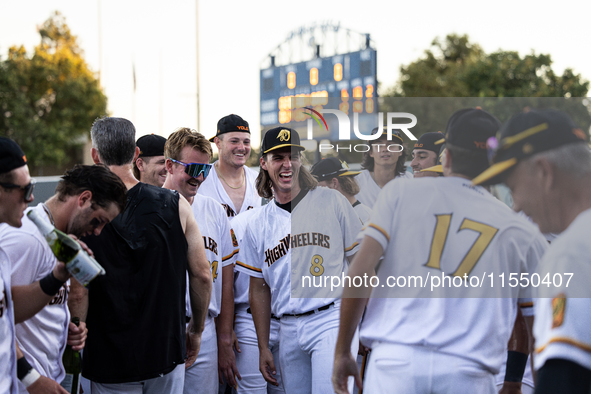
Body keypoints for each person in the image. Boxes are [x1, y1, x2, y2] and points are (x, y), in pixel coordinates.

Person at [332, 108, 548, 394]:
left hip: (395, 363)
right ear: (495, 162)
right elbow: (534, 325)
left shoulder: (399, 194)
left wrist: (342, 351)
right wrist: (517, 382)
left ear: (446, 156)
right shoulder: (519, 228)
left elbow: (359, 272)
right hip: (468, 371)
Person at [69, 117, 212, 393]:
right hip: (164, 352)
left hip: (109, 359)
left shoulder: (82, 213)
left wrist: (77, 337)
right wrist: (196, 329)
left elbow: (78, 291)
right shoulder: (176, 204)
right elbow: (202, 275)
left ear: (95, 155)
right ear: (136, 154)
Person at [472, 108, 591, 394]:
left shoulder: (571, 253)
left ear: (544, 172)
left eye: (513, 187)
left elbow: (565, 382)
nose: (516, 206)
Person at [236, 127, 362, 394]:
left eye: (292, 156)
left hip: (330, 319)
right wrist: (262, 347)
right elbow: (258, 288)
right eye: (278, 157)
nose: (286, 164)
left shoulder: (332, 201)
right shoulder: (258, 222)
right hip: (287, 329)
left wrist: (363, 322)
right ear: (264, 163)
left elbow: (361, 265)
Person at [0, 164, 126, 394]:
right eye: (99, 220)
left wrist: (61, 324)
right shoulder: (27, 237)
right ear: (84, 199)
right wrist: (31, 379)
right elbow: (3, 317)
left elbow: (25, 304)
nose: (98, 231)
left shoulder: (54, 237)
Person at [162, 127, 239, 393]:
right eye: (193, 169)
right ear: (170, 165)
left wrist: (224, 339)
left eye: (205, 171)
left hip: (204, 328)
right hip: (162, 326)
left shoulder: (214, 210)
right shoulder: (149, 207)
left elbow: (225, 280)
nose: (199, 178)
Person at [0, 137, 74, 394]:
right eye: (24, 190)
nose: (31, 199)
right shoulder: (21, 239)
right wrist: (31, 378)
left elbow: (8, 309)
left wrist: (57, 276)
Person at [199, 114, 261, 217]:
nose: (241, 147)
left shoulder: (258, 180)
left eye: (246, 142)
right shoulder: (201, 177)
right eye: (234, 141)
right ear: (218, 142)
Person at [354, 127, 410, 208]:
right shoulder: (356, 184)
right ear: (371, 152)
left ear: (400, 151)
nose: (385, 149)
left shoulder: (411, 181)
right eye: (379, 145)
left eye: (391, 145)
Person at [310, 157, 371, 225]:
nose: (314, 191)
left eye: (317, 186)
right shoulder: (346, 214)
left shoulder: (364, 218)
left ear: (334, 183)